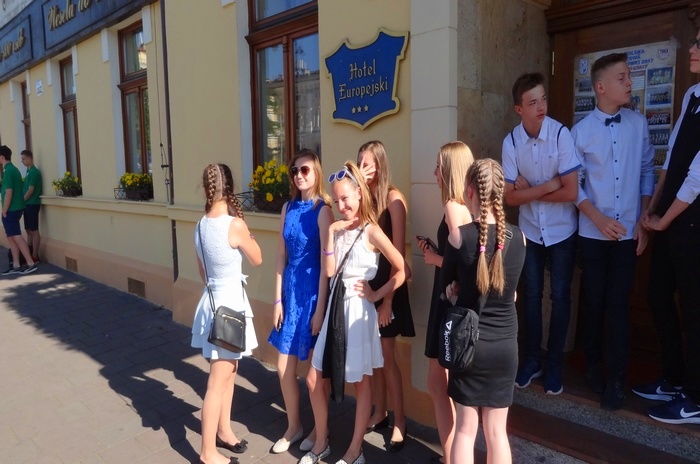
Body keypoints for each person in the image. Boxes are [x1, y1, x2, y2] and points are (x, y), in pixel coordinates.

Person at [301, 161, 405, 464]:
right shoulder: (338, 229)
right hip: (335, 306)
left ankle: (355, 450)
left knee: (361, 383)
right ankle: (322, 442)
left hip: (358, 312)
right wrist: (330, 234)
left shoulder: (372, 231)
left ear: (359, 193)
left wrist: (377, 295)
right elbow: (329, 271)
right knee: (313, 378)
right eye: (337, 200)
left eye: (346, 198)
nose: (342, 205)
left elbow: (402, 269)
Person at [571, 52, 655, 410]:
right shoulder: (580, 132)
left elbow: (648, 171)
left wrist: (644, 218)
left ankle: (617, 379)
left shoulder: (639, 124)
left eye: (629, 76)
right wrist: (598, 219)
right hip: (592, 235)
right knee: (593, 302)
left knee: (618, 304)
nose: (630, 82)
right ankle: (592, 365)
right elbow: (573, 186)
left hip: (627, 235)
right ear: (601, 86)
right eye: (622, 77)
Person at [633, 30, 700, 424]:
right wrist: (652, 210)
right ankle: (673, 378)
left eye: (698, 43)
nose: (691, 48)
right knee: (658, 294)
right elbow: (671, 159)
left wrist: (664, 218)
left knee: (694, 309)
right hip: (671, 220)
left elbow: (696, 178)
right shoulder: (692, 95)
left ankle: (695, 398)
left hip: (692, 223)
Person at [440, 158, 526, 464]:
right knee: (497, 433)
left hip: (469, 346)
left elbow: (447, 286)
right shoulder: (520, 238)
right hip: (505, 346)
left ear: (469, 191)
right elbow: (512, 293)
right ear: (500, 193)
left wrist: (454, 290)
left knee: (465, 430)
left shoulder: (458, 236)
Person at [503, 73, 580, 395]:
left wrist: (530, 191)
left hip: (562, 230)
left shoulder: (561, 135)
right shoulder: (511, 142)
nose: (541, 107)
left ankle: (555, 365)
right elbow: (509, 198)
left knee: (560, 296)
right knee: (531, 296)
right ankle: (532, 359)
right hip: (531, 231)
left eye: (543, 99)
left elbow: (571, 191)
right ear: (519, 109)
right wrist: (549, 185)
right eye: (533, 102)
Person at [192, 163, 262, 464]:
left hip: (212, 305)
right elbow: (257, 259)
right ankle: (207, 452)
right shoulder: (234, 225)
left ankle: (224, 431)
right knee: (217, 382)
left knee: (229, 372)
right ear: (230, 187)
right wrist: (250, 236)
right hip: (230, 306)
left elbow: (203, 272)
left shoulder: (200, 225)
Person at [268, 150, 333, 453]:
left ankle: (322, 431)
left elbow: (326, 265)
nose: (299, 175)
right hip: (290, 292)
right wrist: (277, 300)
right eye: (294, 171)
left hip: (314, 293)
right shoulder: (288, 208)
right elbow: (281, 255)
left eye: (305, 170)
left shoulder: (323, 211)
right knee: (283, 366)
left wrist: (320, 309)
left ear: (316, 172)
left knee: (316, 374)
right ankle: (294, 426)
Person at [418, 141, 474, 464]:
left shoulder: (453, 206)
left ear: (451, 170)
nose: (434, 173)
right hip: (451, 300)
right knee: (444, 384)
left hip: (447, 302)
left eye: (439, 166)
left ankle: (451, 456)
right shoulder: (465, 206)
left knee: (437, 384)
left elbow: (463, 263)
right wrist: (438, 254)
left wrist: (434, 259)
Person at [356, 140, 414, 450]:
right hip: (369, 287)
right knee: (375, 358)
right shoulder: (365, 199)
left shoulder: (394, 199)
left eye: (367, 164)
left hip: (390, 286)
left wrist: (387, 301)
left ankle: (400, 422)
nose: (362, 169)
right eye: (359, 163)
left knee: (388, 358)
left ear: (379, 165)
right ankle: (380, 412)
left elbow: (399, 256)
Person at [0, 145, 37, 275]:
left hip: (12, 209)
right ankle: (16, 265)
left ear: (2, 157)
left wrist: (4, 210)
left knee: (16, 235)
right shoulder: (10, 169)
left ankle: (30, 263)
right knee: (11, 236)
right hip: (14, 208)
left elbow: (9, 192)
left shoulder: (9, 171)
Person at [21, 149, 42, 263]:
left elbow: (30, 190)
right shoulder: (28, 172)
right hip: (27, 204)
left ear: (29, 158)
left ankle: (35, 255)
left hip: (33, 204)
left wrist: (22, 201)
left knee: (34, 230)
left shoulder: (34, 172)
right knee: (28, 230)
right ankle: (28, 253)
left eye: (24, 159)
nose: (22, 161)